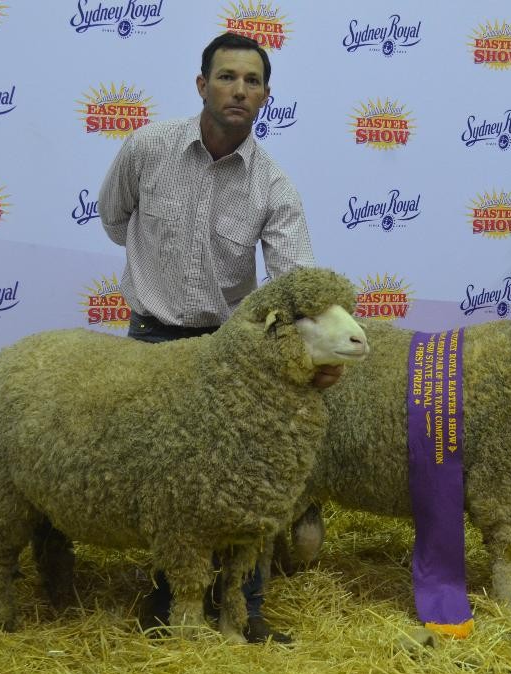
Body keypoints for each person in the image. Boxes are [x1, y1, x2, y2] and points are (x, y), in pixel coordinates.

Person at [99, 32, 340, 643]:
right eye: (227, 76)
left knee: (247, 481)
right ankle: (164, 603)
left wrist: (315, 352)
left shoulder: (272, 185)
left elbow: (296, 280)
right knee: (162, 482)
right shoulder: (147, 149)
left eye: (252, 81)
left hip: (229, 351)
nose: (239, 89)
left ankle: (245, 610)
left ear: (265, 96)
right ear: (201, 84)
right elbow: (113, 217)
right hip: (151, 341)